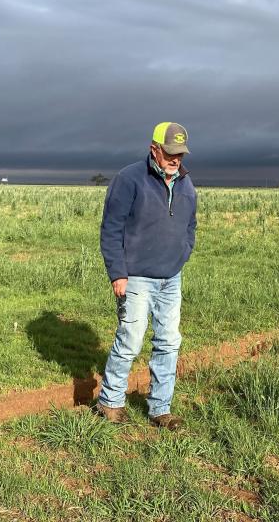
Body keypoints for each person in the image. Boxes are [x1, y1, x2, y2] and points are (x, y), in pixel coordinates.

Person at [95, 122, 197, 429]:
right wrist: (118, 273)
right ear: (154, 148)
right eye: (170, 152)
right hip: (135, 277)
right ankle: (110, 403)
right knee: (130, 339)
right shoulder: (129, 179)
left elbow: (190, 225)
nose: (175, 159)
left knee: (169, 342)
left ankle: (160, 409)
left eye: (180, 153)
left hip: (171, 277)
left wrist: (182, 253)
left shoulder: (186, 183)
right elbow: (111, 229)